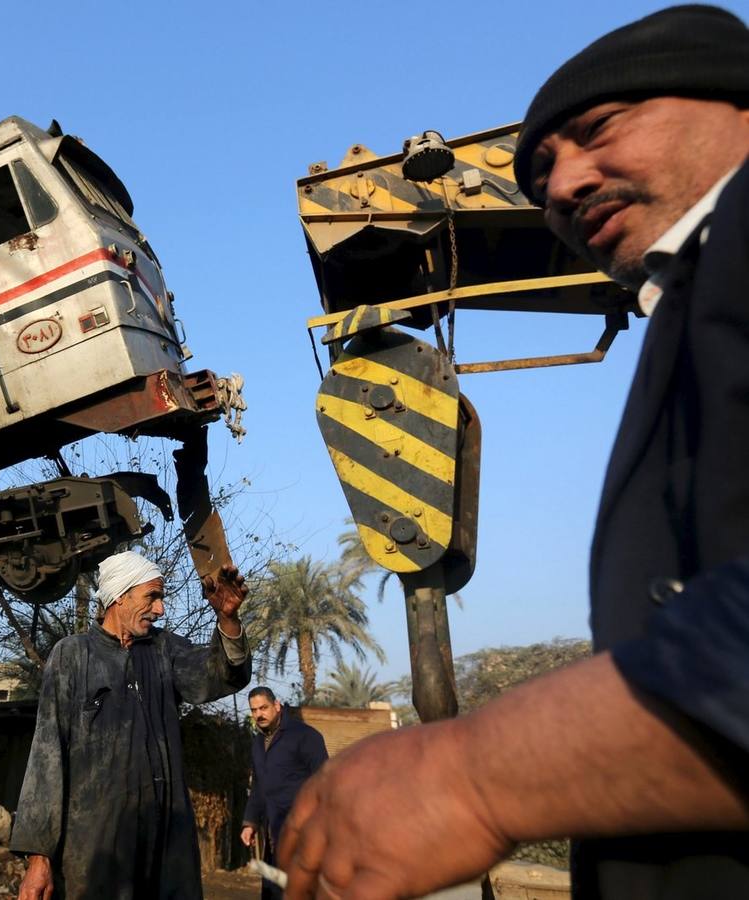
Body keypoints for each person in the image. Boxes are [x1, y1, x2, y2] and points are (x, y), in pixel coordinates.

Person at [275, 6, 749, 899]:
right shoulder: (686, 307)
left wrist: (475, 776)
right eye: (537, 171)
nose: (563, 183)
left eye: (597, 130)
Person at [9, 550, 251, 900]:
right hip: (96, 853)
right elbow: (46, 760)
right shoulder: (73, 655)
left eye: (161, 598)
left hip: (167, 849)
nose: (160, 609)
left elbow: (220, 674)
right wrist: (39, 858)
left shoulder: (164, 650)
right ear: (119, 596)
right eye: (152, 597)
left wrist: (228, 619)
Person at [240, 687, 327, 900]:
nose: (259, 714)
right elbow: (260, 786)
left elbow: (325, 781)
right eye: (254, 710)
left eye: (264, 708)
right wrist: (250, 823)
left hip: (302, 833)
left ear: (277, 706)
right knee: (273, 891)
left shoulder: (305, 736)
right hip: (273, 833)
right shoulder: (258, 743)